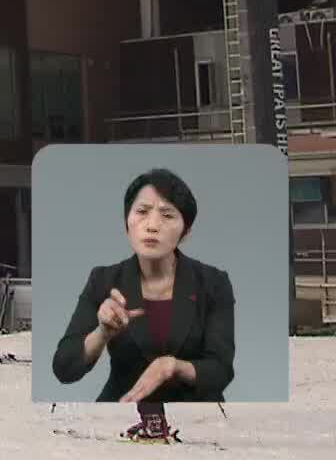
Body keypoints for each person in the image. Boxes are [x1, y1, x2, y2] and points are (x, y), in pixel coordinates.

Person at [50, 168, 235, 443]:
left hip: (194, 423)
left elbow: (220, 370)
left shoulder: (212, 283)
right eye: (142, 212)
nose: (152, 225)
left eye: (167, 215)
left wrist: (171, 366)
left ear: (186, 231)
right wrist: (101, 332)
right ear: (126, 224)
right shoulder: (104, 280)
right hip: (123, 415)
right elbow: (64, 368)